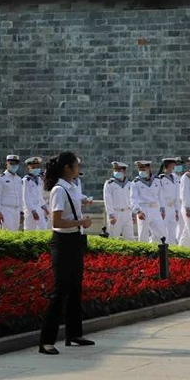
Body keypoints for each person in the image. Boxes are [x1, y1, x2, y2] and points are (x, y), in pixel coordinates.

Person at [39, 152, 94, 355]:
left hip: (75, 240)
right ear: (67, 168)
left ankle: (74, 334)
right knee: (60, 291)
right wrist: (81, 222)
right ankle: (46, 341)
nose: (79, 169)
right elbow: (57, 222)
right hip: (63, 242)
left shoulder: (71, 187)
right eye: (76, 166)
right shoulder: (59, 190)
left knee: (75, 288)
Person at [130, 160, 167, 244]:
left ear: (149, 168)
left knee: (162, 233)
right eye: (140, 169)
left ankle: (155, 248)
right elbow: (133, 198)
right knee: (143, 235)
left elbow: (160, 195)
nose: (141, 171)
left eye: (143, 169)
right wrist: (138, 211)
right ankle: (144, 251)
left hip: (155, 209)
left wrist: (163, 209)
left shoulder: (157, 180)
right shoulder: (135, 182)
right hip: (143, 209)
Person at [102, 161, 134, 240]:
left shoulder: (130, 183)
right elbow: (107, 200)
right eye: (115, 170)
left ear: (124, 171)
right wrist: (111, 215)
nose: (117, 172)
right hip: (115, 213)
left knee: (130, 238)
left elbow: (133, 198)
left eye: (119, 170)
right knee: (113, 237)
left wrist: (133, 213)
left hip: (127, 213)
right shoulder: (109, 183)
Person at [157, 158, 181, 245]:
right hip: (164, 207)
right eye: (172, 165)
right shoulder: (160, 178)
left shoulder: (175, 178)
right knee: (162, 231)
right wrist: (161, 209)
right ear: (167, 166)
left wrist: (177, 210)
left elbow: (177, 195)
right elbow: (159, 195)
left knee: (172, 231)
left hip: (172, 207)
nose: (174, 167)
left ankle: (172, 249)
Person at [22, 156, 49, 231]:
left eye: (37, 167)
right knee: (30, 231)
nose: (36, 169)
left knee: (43, 229)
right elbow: (25, 198)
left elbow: (39, 196)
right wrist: (33, 211)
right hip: (30, 210)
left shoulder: (39, 179)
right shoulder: (26, 180)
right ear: (28, 168)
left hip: (39, 208)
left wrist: (45, 208)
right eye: (33, 167)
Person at [0, 154, 23, 231]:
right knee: (7, 232)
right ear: (7, 164)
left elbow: (20, 196)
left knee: (15, 232)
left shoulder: (18, 179)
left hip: (17, 210)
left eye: (15, 163)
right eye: (11, 163)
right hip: (5, 209)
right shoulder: (1, 178)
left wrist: (21, 212)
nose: (14, 165)